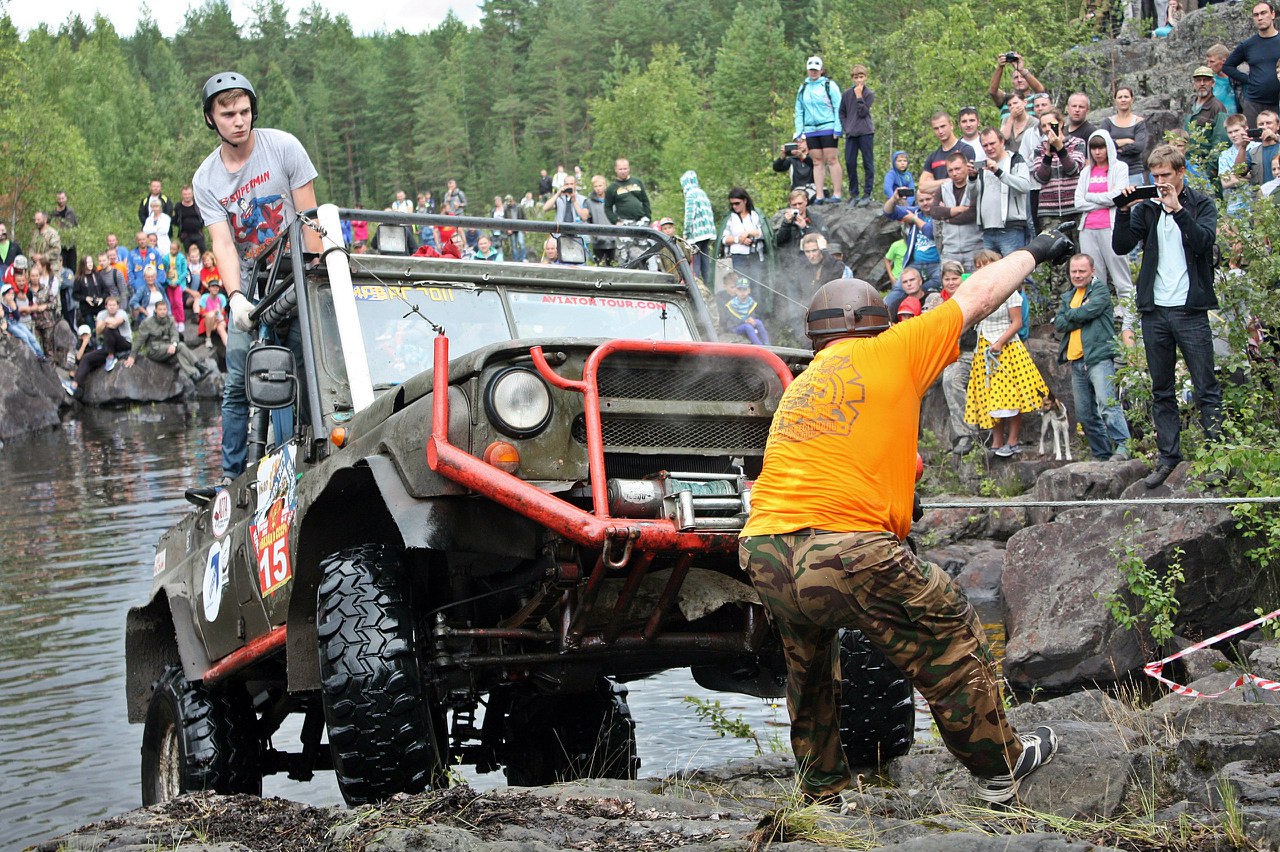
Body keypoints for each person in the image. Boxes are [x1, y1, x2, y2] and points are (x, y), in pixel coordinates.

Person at [738, 227, 1074, 807]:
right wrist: (1036, 252)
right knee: (949, 637)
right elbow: (979, 296)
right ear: (876, 322)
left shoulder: (802, 385)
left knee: (810, 664)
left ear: (818, 336)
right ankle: (1004, 768)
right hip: (845, 548)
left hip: (765, 548)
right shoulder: (893, 348)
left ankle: (822, 788)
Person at [193, 70, 320, 484]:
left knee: (303, 369)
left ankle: (309, 456)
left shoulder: (284, 147)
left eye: (245, 111)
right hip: (249, 282)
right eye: (228, 113)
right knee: (237, 380)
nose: (239, 120)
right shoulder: (206, 178)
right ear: (212, 118)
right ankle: (232, 479)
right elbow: (223, 244)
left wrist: (314, 276)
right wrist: (234, 297)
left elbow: (309, 220)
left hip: (295, 273)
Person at [1113, 144, 1221, 489]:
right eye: (1154, 176)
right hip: (1155, 311)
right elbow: (1120, 246)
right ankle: (1167, 458)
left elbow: (1204, 243)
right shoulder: (1146, 208)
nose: (1160, 182)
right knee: (1162, 390)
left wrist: (1177, 210)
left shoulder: (1200, 203)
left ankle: (1218, 457)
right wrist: (1123, 209)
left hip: (1190, 310)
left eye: (1165, 176)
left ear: (1180, 173)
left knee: (1206, 387)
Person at [1054, 254, 1131, 461]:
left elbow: (1092, 310)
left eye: (1082, 271)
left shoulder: (1100, 290)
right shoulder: (1068, 297)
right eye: (1074, 271)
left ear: (1092, 271)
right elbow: (1059, 324)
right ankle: (1102, 454)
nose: (1077, 275)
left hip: (1099, 357)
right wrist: (1080, 312)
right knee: (1085, 414)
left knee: (1107, 404)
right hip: (1076, 361)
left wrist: (1074, 314)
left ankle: (1124, 447)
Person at [963, 268, 1047, 457]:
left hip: (1006, 345)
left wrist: (1000, 342)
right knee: (989, 394)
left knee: (1012, 394)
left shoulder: (1010, 293)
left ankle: (1013, 439)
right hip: (984, 345)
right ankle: (997, 440)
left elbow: (1016, 322)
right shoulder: (978, 293)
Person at [1075, 129, 1136, 345]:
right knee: (1095, 279)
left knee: (1121, 276)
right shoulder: (1086, 172)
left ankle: (1130, 322)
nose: (1098, 152)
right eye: (1094, 148)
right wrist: (1104, 199)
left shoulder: (1119, 167)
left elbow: (1119, 197)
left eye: (1101, 147)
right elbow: (1078, 202)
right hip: (1088, 228)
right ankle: (1100, 323)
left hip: (1111, 227)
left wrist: (1093, 198)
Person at [938, 258, 980, 453]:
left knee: (951, 378)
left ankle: (967, 434)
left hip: (969, 353)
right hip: (941, 354)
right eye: (947, 279)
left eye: (955, 278)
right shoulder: (936, 301)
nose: (951, 282)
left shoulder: (972, 298)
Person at [974, 128, 1032, 257]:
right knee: (991, 274)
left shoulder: (1016, 159)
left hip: (1011, 229)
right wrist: (972, 178)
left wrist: (998, 172)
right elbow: (971, 196)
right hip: (988, 230)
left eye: (992, 143)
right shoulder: (982, 166)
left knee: (1013, 272)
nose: (989, 148)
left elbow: (1025, 186)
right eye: (985, 145)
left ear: (1002, 142)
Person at [794, 56, 843, 203]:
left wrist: (838, 128)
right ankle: (819, 195)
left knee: (832, 159)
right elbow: (799, 110)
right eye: (811, 69)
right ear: (807, 70)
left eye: (816, 69)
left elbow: (838, 106)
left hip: (828, 126)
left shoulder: (829, 85)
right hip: (810, 130)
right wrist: (799, 131)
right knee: (816, 161)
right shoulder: (803, 88)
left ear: (821, 70)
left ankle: (837, 194)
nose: (813, 72)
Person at [1224, 2, 1280, 127]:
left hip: (1277, 102)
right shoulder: (1248, 45)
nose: (1260, 17)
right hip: (1254, 102)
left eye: (1263, 13)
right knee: (1253, 143)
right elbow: (1227, 66)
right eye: (1256, 15)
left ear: (1273, 14)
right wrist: (1248, 79)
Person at [126, 298, 206, 382]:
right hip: (154, 351)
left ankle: (192, 375)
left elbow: (174, 334)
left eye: (164, 309)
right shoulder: (147, 323)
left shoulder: (170, 320)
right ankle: (198, 365)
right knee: (181, 346)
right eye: (160, 309)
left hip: (169, 349)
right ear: (155, 310)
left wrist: (173, 344)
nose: (162, 311)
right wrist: (132, 356)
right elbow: (139, 340)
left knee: (178, 353)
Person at [882, 186, 941, 300]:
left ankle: (914, 298)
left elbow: (930, 232)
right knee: (898, 289)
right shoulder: (916, 212)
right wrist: (894, 198)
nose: (925, 203)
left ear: (935, 198)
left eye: (928, 199)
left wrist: (914, 219)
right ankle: (883, 314)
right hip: (916, 264)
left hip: (937, 264)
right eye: (921, 200)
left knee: (935, 283)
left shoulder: (940, 212)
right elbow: (888, 212)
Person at [934, 151, 983, 272]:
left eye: (957, 169)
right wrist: (958, 210)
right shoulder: (943, 188)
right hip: (950, 250)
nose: (954, 173)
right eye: (950, 170)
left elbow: (973, 213)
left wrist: (947, 215)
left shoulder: (976, 185)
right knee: (950, 287)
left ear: (967, 166)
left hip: (974, 248)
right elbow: (934, 211)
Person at [839, 64, 875, 206]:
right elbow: (842, 112)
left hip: (865, 132)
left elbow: (863, 112)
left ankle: (867, 193)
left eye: (861, 77)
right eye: (856, 77)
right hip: (851, 133)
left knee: (868, 162)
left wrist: (859, 96)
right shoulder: (847, 94)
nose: (859, 80)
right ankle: (854, 194)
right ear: (852, 78)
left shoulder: (868, 94)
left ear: (865, 77)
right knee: (850, 162)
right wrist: (846, 126)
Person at [716, 187, 769, 284]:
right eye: (732, 204)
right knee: (741, 286)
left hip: (755, 255)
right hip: (738, 257)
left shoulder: (755, 215)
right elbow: (723, 239)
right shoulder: (730, 218)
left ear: (745, 201)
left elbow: (765, 233)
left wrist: (748, 233)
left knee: (757, 287)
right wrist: (739, 239)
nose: (735, 206)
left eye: (737, 203)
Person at [1101, 86, 1149, 185]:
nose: (1123, 100)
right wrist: (1127, 140)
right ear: (1115, 100)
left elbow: (1139, 146)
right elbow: (1101, 144)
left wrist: (1120, 149)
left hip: (1133, 171)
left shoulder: (1138, 122)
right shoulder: (1108, 122)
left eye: (1126, 97)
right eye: (1120, 97)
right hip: (1112, 172)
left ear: (1132, 99)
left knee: (1137, 200)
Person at [919, 111, 975, 195]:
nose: (940, 131)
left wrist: (934, 184)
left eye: (943, 126)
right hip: (941, 204)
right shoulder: (933, 157)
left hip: (963, 201)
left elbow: (964, 178)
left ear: (951, 125)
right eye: (936, 128)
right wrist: (945, 181)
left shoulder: (965, 150)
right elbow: (922, 186)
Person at [1219, 114, 1262, 215]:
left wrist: (1235, 176)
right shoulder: (1225, 155)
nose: (1233, 135)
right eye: (1230, 132)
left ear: (1246, 129)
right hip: (1235, 207)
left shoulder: (1258, 148)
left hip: (1257, 205)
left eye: (1236, 131)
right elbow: (1225, 183)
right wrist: (1249, 176)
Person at [680, 171, 716, 285]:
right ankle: (708, 284)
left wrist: (685, 232)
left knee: (695, 261)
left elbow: (689, 215)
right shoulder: (702, 193)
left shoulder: (691, 194)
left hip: (696, 234)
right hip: (707, 232)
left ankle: (696, 285)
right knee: (706, 260)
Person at [1185, 67, 1228, 158]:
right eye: (1198, 80)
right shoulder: (1190, 104)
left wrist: (1211, 168)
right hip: (1187, 160)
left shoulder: (1218, 107)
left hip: (1204, 163)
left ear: (1213, 83)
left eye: (1206, 80)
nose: (1202, 84)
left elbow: (1220, 141)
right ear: (1194, 84)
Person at [988, 52, 1046, 118]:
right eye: (1016, 78)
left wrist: (1021, 70)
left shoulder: (1036, 100)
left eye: (1023, 77)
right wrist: (1000, 67)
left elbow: (1041, 90)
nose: (1019, 80)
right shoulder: (1006, 99)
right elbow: (992, 91)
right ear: (1012, 81)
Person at [1, 281, 44, 359]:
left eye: (12, 294)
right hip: (9, 325)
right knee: (24, 336)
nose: (11, 296)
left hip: (16, 322)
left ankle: (41, 354)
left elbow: (17, 317)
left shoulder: (13, 303)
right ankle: (34, 354)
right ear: (4, 295)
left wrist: (14, 309)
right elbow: (3, 318)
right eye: (9, 294)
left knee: (31, 336)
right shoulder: (2, 306)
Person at [722, 275, 770, 345]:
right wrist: (745, 321)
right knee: (748, 327)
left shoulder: (751, 302)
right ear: (736, 291)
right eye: (739, 289)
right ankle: (759, 345)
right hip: (735, 326)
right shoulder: (732, 304)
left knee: (759, 322)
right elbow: (733, 320)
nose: (742, 292)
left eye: (745, 289)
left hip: (747, 322)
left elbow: (752, 314)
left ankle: (767, 343)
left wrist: (752, 319)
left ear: (749, 291)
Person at [604, 158, 652, 224]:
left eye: (625, 169)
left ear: (629, 169)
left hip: (641, 221)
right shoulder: (612, 188)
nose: (623, 171)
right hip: (624, 222)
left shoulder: (637, 182)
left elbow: (645, 201)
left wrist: (648, 217)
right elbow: (607, 207)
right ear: (615, 169)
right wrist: (615, 221)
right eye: (620, 169)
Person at [65, 324, 108, 397]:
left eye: (86, 335)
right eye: (83, 335)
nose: (85, 337)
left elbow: (99, 353)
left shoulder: (95, 341)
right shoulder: (79, 344)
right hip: (84, 365)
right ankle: (78, 389)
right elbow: (78, 358)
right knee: (75, 371)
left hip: (96, 362)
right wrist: (84, 345)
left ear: (90, 334)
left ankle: (74, 384)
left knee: (85, 362)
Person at [95, 294, 133, 371]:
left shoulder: (122, 313)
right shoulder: (101, 314)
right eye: (110, 305)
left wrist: (105, 323)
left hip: (125, 342)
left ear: (118, 306)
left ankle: (110, 356)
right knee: (87, 357)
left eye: (114, 305)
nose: (112, 307)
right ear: (106, 306)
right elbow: (98, 331)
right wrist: (106, 321)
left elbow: (114, 324)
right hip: (109, 343)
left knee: (108, 330)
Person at [1206, 43, 1240, 115]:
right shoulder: (1210, 82)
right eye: (1208, 62)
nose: (1208, 65)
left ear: (1224, 61)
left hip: (1237, 123)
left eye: (1212, 62)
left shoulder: (1238, 80)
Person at [50, 190, 78, 273]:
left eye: (62, 198)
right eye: (59, 199)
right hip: (59, 246)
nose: (61, 200)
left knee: (72, 269)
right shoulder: (53, 214)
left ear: (66, 198)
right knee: (60, 269)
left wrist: (74, 238)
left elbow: (76, 227)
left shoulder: (71, 213)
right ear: (56, 199)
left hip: (71, 246)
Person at [173, 185, 206, 252]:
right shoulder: (178, 206)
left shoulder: (198, 205)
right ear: (182, 195)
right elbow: (174, 219)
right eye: (185, 194)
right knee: (188, 254)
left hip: (198, 233)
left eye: (189, 194)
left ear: (192, 194)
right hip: (185, 235)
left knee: (203, 252)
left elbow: (204, 216)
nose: (187, 196)